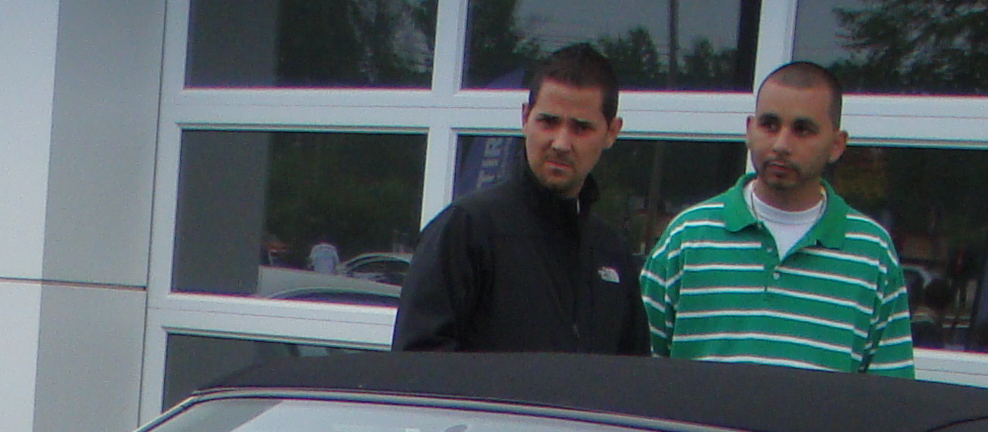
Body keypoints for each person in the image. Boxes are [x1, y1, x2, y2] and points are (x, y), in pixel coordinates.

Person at [638, 61, 914, 375]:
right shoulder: (688, 237)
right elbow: (638, 373)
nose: (781, 145)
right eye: (769, 125)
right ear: (749, 130)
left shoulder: (872, 252)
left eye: (802, 130)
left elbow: (889, 391)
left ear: (837, 145)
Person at [390, 44, 648, 356]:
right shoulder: (467, 231)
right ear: (525, 117)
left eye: (581, 128)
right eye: (548, 122)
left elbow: (632, 374)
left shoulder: (611, 252)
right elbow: (416, 364)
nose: (561, 143)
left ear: (611, 132)